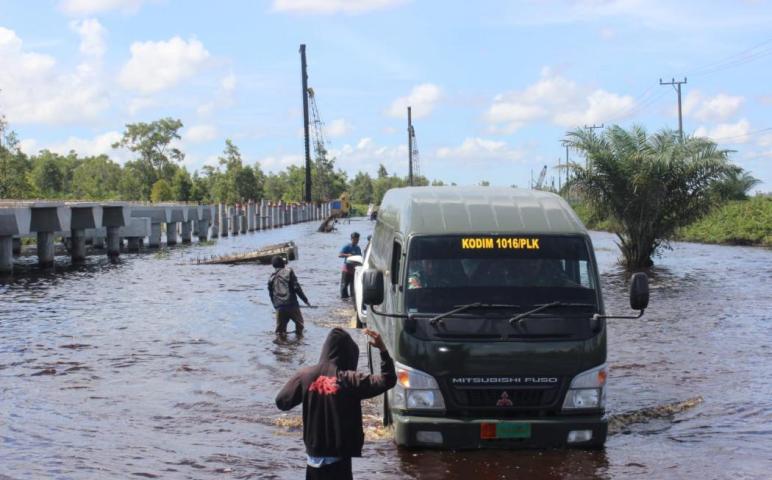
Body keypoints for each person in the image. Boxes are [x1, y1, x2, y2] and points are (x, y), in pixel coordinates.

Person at [276, 327, 396, 480]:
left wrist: (307, 393)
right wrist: (383, 350)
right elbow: (388, 379)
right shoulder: (350, 379)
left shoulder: (305, 376)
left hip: (312, 462)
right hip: (339, 464)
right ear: (348, 355)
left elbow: (281, 402)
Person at [268, 255, 311, 335]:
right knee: (300, 326)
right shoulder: (289, 271)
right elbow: (296, 287)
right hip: (291, 304)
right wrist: (305, 300)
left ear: (273, 266)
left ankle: (281, 345)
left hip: (279, 306)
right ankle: (298, 343)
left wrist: (276, 306)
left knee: (279, 332)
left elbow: (271, 295)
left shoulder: (271, 277)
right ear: (283, 264)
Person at [338, 232, 361, 299]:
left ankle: (352, 300)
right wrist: (347, 255)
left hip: (354, 270)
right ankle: (343, 299)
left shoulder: (358, 248)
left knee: (353, 287)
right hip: (346, 269)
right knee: (344, 286)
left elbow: (360, 257)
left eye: (357, 240)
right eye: (354, 239)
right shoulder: (347, 246)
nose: (356, 241)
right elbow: (339, 255)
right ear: (351, 239)